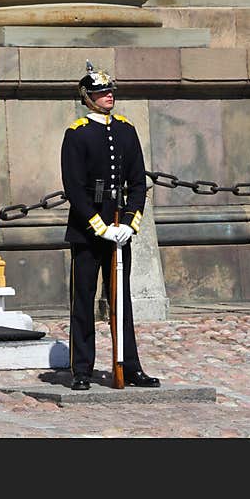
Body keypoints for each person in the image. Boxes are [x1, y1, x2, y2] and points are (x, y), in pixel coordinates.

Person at [60, 61, 161, 391]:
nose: (108, 96)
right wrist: (98, 226)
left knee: (122, 300)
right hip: (88, 232)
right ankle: (81, 369)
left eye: (109, 91)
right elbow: (74, 187)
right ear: (87, 97)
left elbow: (137, 181)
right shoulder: (77, 134)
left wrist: (131, 223)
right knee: (84, 300)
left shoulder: (125, 130)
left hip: (120, 229)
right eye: (101, 92)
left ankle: (129, 365)